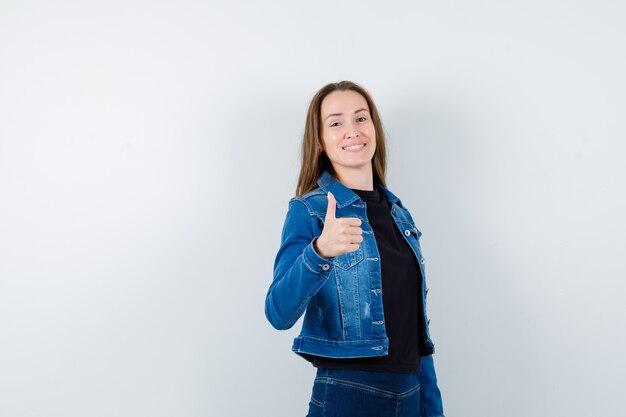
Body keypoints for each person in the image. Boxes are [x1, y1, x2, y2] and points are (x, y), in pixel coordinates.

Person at [265, 80, 445, 417]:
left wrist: (433, 410)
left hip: (410, 395)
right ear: (319, 141)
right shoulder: (311, 210)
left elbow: (415, 334)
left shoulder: (398, 213)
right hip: (348, 397)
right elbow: (278, 312)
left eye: (361, 119)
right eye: (336, 122)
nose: (353, 131)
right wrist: (319, 251)